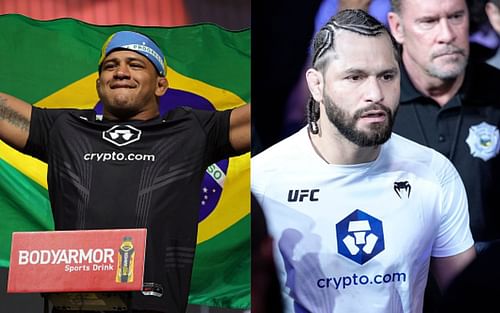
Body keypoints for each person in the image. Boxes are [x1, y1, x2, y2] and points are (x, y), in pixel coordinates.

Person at [0, 31, 250, 313]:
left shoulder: (193, 130)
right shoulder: (65, 128)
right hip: (77, 306)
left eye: (135, 64)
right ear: (98, 85)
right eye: (111, 66)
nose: (121, 72)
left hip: (154, 306)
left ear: (161, 85)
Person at [251, 9, 475, 313]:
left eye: (387, 76)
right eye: (354, 77)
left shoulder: (435, 173)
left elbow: (470, 298)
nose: (375, 94)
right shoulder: (262, 180)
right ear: (316, 85)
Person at [387, 0, 500, 251]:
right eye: (428, 22)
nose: (447, 35)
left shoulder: (497, 92)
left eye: (456, 17)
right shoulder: (376, 104)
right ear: (397, 28)